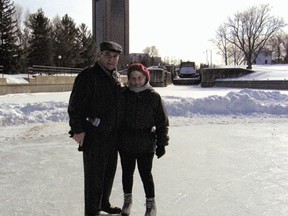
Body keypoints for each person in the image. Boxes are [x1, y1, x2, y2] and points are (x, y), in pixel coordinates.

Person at [68, 41, 123, 216]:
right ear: (100, 55)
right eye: (107, 55)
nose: (111, 59)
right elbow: (75, 106)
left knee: (109, 173)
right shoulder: (88, 76)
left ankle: (104, 203)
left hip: (112, 136)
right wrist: (77, 130)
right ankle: (92, 211)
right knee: (94, 177)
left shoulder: (115, 77)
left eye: (115, 56)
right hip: (94, 136)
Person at [118, 63, 169, 216]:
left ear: (145, 77)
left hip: (145, 142)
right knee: (127, 173)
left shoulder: (154, 96)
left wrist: (161, 144)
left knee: (145, 174)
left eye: (139, 78)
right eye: (133, 78)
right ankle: (127, 200)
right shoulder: (124, 94)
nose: (136, 81)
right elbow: (117, 118)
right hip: (125, 142)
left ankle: (151, 204)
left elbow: (162, 122)